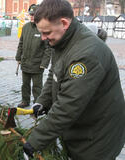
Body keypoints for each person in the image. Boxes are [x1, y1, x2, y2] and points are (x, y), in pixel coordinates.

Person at [23, 0, 125, 159]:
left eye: (47, 32)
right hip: (82, 129)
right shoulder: (63, 40)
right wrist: (42, 101)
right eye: (41, 32)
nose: (43, 38)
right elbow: (54, 74)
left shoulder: (86, 55)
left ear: (64, 23)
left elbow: (68, 105)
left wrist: (35, 140)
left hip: (96, 138)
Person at [15, 4, 49, 108]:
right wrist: (18, 57)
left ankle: (37, 103)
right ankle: (25, 101)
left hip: (37, 65)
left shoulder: (43, 28)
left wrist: (44, 63)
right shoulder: (25, 27)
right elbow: (21, 43)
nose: (32, 17)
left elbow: (48, 48)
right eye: (31, 15)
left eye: (34, 15)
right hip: (25, 63)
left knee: (37, 86)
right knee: (25, 85)